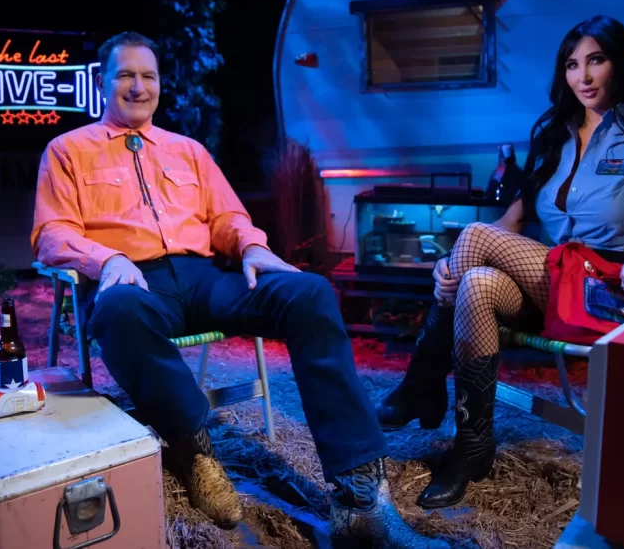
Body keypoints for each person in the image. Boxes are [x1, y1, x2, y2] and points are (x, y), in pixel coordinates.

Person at [31, 32, 448, 548]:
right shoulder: (68, 151)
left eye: (148, 76)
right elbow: (52, 234)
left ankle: (359, 496)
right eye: (125, 75)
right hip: (133, 283)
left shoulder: (188, 151)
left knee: (310, 293)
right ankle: (195, 450)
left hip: (204, 279)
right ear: (102, 82)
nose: (138, 86)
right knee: (117, 311)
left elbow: (227, 215)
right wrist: (107, 258)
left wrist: (250, 245)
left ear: (160, 84)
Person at [374, 15, 624, 509]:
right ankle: (473, 447)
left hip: (600, 289)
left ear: (618, 65)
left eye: (596, 61)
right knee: (474, 280)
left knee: (472, 236)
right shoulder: (554, 137)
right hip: (546, 285)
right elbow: (508, 225)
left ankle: (420, 386)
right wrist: (447, 267)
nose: (583, 76)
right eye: (572, 65)